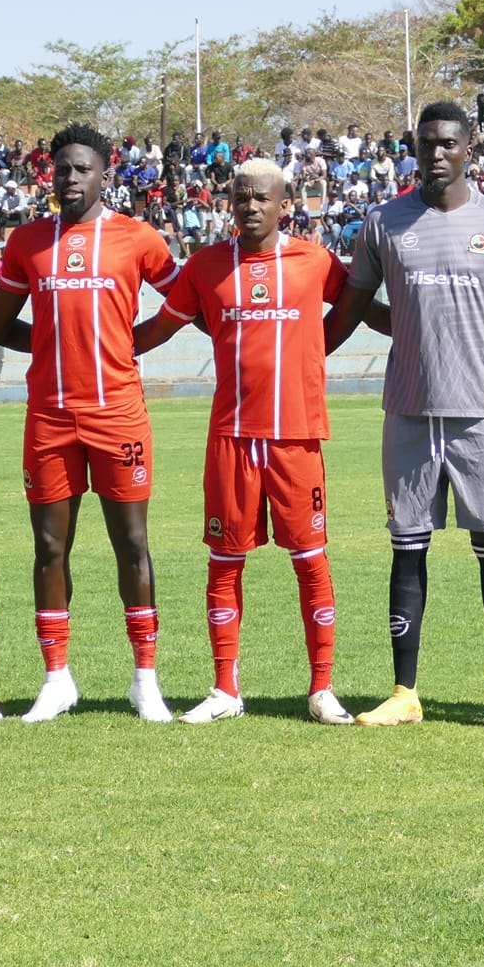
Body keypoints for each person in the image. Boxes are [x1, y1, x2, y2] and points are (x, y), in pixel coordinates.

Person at [323, 101, 484, 731]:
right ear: (412, 148)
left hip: (479, 412)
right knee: (407, 550)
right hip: (408, 410)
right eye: (425, 143)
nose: (436, 153)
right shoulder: (383, 223)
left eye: (447, 143)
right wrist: (300, 352)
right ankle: (405, 692)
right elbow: (353, 309)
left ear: (470, 147)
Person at [0, 124, 182, 724]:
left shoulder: (138, 238)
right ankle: (57, 679)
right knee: (50, 546)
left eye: (81, 168)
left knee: (132, 543)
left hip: (118, 413)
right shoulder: (28, 241)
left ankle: (146, 681)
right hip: (50, 417)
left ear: (104, 174)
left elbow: (182, 299)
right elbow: (0, 320)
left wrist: (129, 342)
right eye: (60, 168)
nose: (69, 178)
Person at [130, 160, 356, 724]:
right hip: (231, 436)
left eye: (262, 198)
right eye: (240, 197)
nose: (250, 206)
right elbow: (163, 325)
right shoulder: (207, 266)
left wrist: (316, 348)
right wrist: (106, 350)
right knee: (225, 562)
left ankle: (322, 688)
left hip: (296, 437)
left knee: (310, 561)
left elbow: (357, 304)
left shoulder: (315, 260)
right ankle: (226, 690)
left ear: (286, 204)